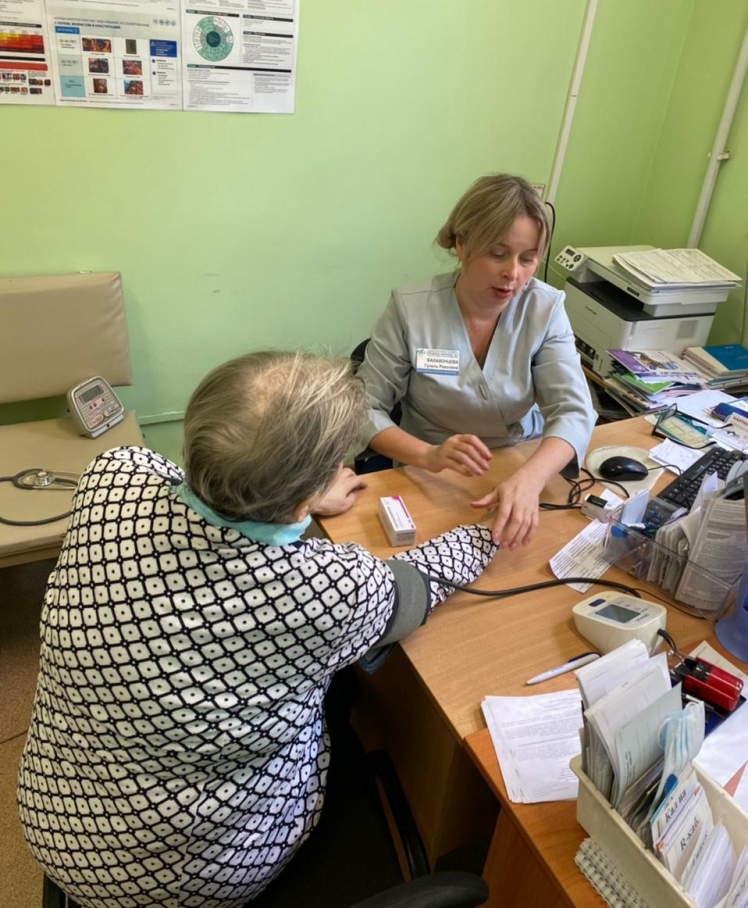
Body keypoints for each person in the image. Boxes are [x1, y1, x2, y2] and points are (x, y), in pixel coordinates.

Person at [18, 351, 497, 908]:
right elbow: (418, 584)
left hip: (56, 817)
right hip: (192, 882)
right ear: (298, 497)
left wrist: (298, 499)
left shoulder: (112, 476)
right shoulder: (331, 589)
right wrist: (490, 529)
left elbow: (198, 492)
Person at [357, 173, 596, 551]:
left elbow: (574, 410)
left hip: (521, 462)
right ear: (462, 244)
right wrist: (428, 455)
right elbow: (362, 409)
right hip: (434, 473)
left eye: (528, 259)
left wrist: (530, 479)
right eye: (497, 254)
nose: (513, 273)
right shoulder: (410, 309)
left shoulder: (545, 308)